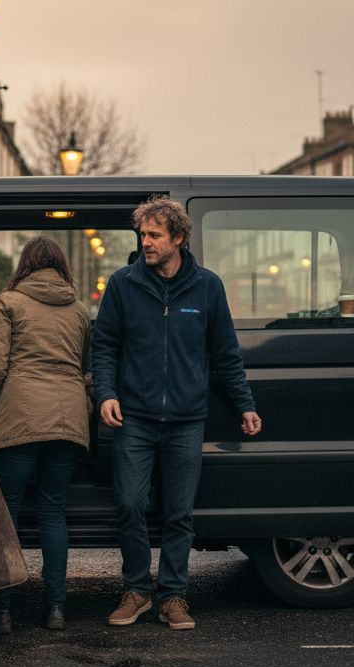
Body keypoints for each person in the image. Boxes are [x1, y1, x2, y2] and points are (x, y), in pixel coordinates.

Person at [91, 196, 262, 631]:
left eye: (154, 235)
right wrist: (106, 394)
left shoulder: (207, 286)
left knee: (179, 513)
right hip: (134, 419)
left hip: (187, 419)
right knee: (129, 504)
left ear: (179, 238)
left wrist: (244, 404)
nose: (145, 242)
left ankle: (173, 596)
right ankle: (135, 591)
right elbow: (104, 345)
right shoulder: (123, 284)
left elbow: (225, 353)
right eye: (142, 234)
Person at [0, 237, 91, 633]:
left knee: (8, 513)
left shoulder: (9, 302)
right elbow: (84, 368)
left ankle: (1, 611)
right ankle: (55, 609)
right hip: (68, 418)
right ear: (60, 266)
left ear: (25, 264)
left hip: (19, 416)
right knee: (54, 512)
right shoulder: (80, 309)